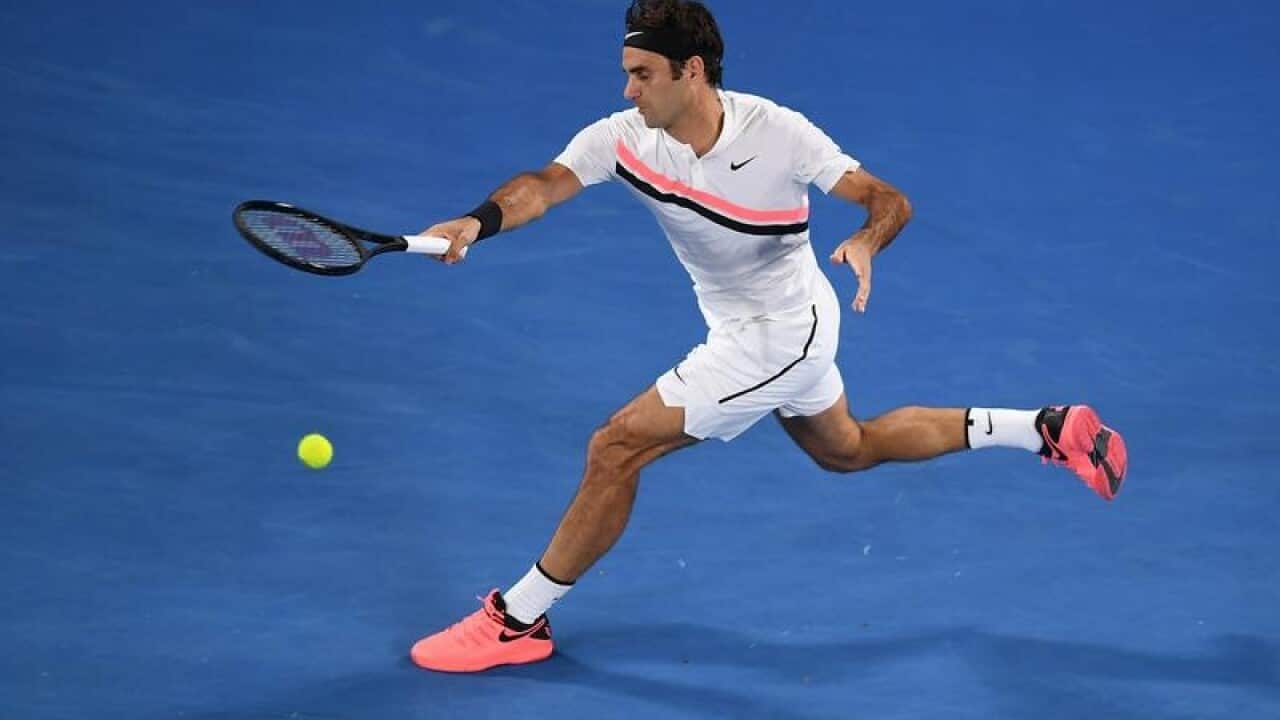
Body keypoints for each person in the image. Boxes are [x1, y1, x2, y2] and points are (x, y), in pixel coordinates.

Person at [408, 0, 1128, 673]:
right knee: (848, 449)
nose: (628, 91)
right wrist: (477, 221)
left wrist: (870, 240)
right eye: (627, 74)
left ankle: (518, 619)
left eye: (642, 75)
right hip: (765, 322)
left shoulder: (778, 134)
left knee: (617, 447)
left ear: (691, 72)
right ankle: (1044, 428)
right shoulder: (622, 140)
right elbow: (542, 183)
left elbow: (887, 198)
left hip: (780, 335)